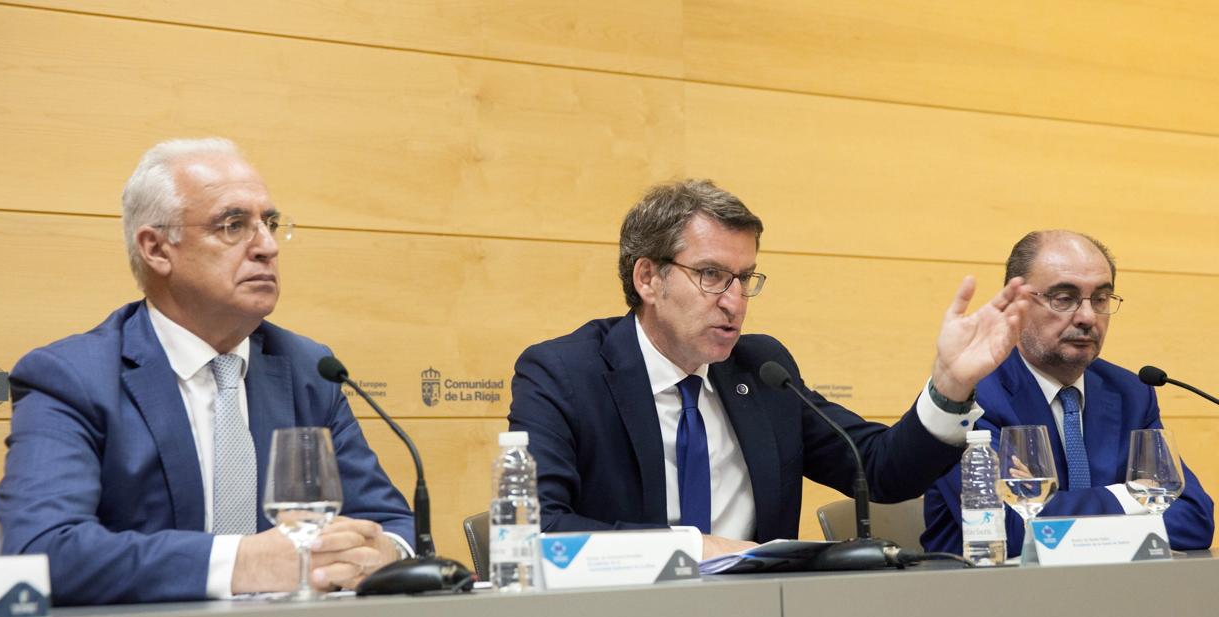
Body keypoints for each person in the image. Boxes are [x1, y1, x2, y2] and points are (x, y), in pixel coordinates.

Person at [507, 179, 1032, 558]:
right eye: (712, 275)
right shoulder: (564, 374)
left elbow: (879, 470)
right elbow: (541, 528)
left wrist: (950, 384)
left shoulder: (761, 370)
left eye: (745, 278)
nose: (734, 301)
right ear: (648, 278)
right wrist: (694, 547)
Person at [0, 138, 414, 605]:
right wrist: (245, 562)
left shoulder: (309, 369)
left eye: (270, 224)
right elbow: (42, 551)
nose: (268, 247)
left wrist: (379, 557)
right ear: (157, 249)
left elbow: (392, 524)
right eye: (234, 225)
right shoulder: (72, 378)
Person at [922, 230, 1214, 556]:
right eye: (1064, 298)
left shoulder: (1131, 393)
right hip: (990, 597)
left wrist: (1050, 505)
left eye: (1101, 298)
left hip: (1115, 598)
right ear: (1016, 305)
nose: (1088, 317)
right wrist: (1129, 497)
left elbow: (1194, 520)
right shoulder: (968, 397)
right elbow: (1013, 532)